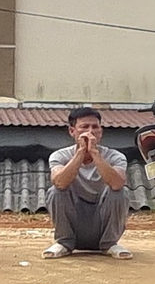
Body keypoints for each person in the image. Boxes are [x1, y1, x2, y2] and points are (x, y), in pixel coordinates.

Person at [44, 107, 131, 259]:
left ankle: (110, 244)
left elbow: (117, 184)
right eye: (84, 127)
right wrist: (80, 153)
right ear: (72, 131)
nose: (90, 131)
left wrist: (95, 154)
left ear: (101, 132)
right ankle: (63, 243)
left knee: (120, 192)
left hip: (101, 223)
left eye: (95, 127)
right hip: (75, 223)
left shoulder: (115, 156)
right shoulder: (59, 156)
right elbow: (59, 182)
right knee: (55, 191)